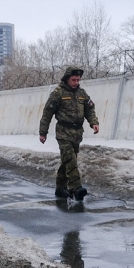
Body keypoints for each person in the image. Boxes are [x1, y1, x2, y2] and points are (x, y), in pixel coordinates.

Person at [39, 66, 99, 200]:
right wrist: (43, 133)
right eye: (74, 80)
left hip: (77, 133)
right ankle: (76, 187)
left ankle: (60, 188)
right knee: (70, 159)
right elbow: (47, 113)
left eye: (78, 80)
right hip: (63, 132)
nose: (76, 82)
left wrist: (94, 122)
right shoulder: (58, 93)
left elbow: (90, 109)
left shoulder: (82, 93)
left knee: (68, 160)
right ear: (67, 79)